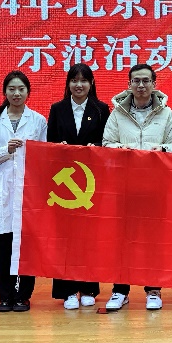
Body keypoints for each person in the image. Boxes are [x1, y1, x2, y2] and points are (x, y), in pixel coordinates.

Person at [102, 63, 172, 311]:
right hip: (124, 187)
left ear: (154, 84)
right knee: (122, 239)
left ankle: (153, 289)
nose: (141, 85)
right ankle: (120, 290)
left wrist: (162, 149)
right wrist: (121, 150)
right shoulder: (117, 114)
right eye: (136, 81)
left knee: (153, 240)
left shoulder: (167, 114)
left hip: (156, 187)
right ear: (129, 84)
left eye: (146, 81)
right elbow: (107, 143)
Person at [0, 71, 48, 313]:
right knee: (3, 246)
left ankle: (23, 296)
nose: (16, 93)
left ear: (28, 92)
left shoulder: (38, 121)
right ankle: (5, 296)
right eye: (12, 89)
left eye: (21, 89)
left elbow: (44, 156)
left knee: (26, 246)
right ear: (5, 92)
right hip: (2, 190)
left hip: (28, 190)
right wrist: (6, 149)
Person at [47, 64, 111, 310]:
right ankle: (67, 291)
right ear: (68, 84)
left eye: (84, 80)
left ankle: (88, 288)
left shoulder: (101, 109)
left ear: (91, 83)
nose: (79, 85)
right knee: (65, 237)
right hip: (65, 184)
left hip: (91, 183)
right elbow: (49, 144)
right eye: (74, 80)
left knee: (89, 237)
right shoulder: (57, 109)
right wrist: (59, 148)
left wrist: (96, 148)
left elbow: (107, 142)